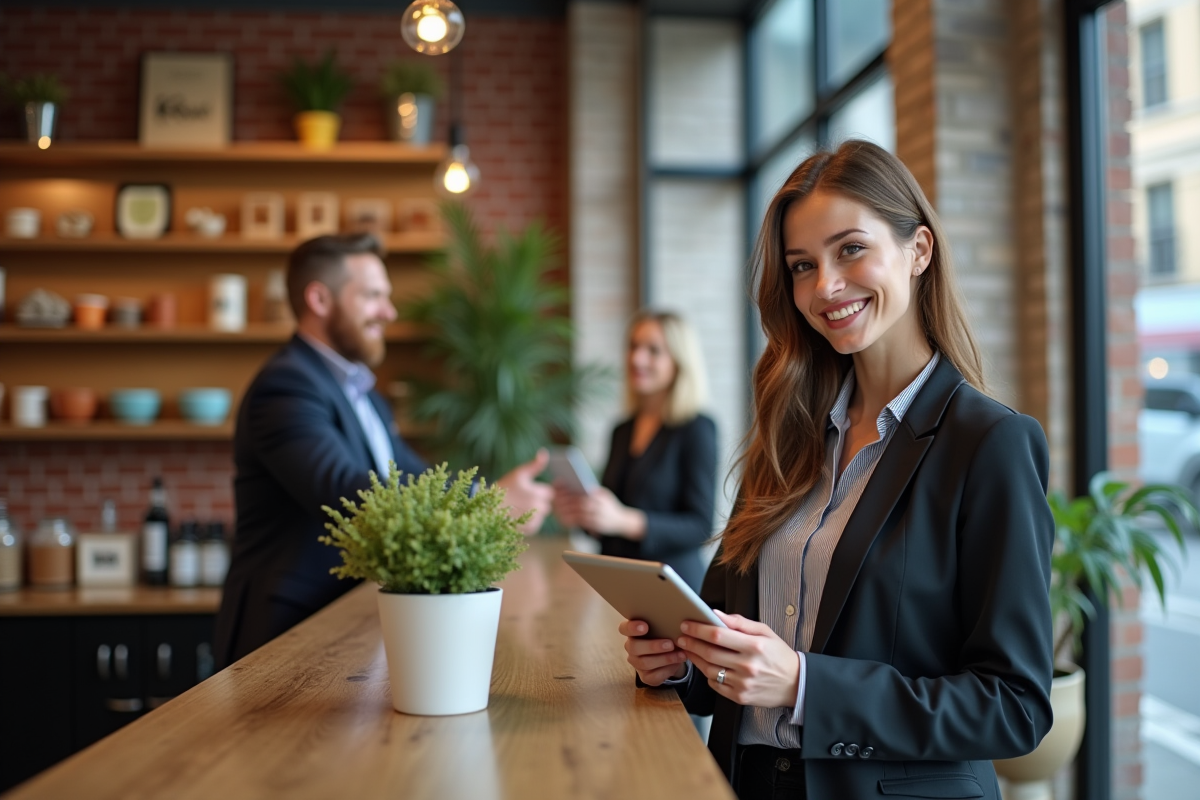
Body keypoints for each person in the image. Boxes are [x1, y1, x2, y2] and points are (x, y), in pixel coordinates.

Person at [619, 141, 1055, 799]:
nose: (824, 286)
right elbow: (725, 652)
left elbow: (1014, 706)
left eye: (851, 249)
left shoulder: (988, 443)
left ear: (919, 251)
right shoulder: (787, 436)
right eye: (802, 265)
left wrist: (804, 686)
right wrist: (678, 666)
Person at [214, 233, 552, 668]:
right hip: (285, 631)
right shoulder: (286, 387)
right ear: (319, 299)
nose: (389, 312)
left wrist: (487, 495)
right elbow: (345, 490)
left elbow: (414, 476)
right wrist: (483, 503)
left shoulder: (364, 396)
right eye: (373, 296)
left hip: (343, 629)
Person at [553, 310, 718, 590]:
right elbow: (610, 519)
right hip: (618, 583)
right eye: (633, 347)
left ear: (679, 362)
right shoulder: (622, 430)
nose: (636, 358)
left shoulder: (697, 429)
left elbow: (700, 527)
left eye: (653, 350)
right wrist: (585, 516)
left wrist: (624, 520)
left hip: (672, 588)